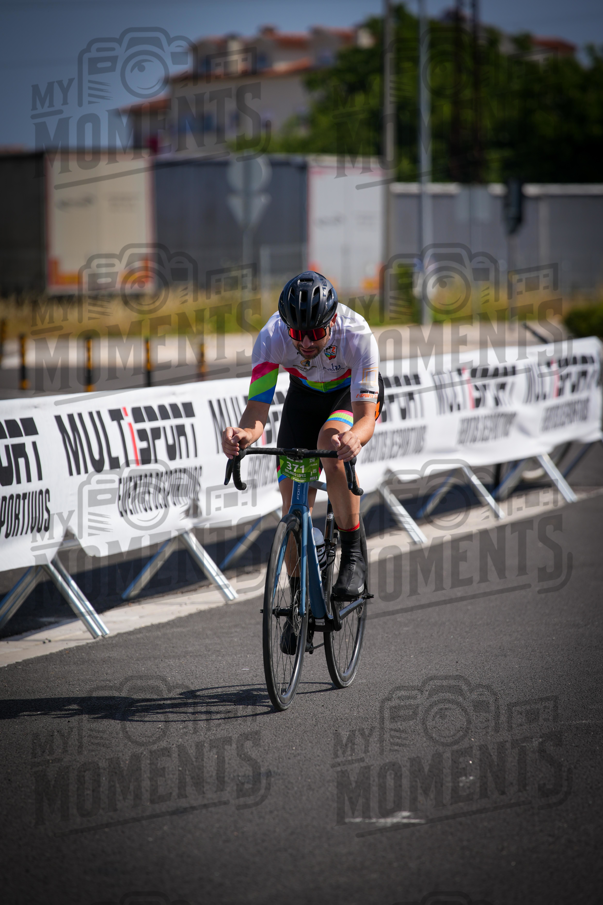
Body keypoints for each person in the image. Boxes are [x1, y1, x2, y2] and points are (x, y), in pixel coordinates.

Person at [222, 270, 382, 602]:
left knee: (330, 445)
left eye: (316, 333)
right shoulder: (272, 336)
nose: (306, 343)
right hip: (304, 398)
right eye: (298, 333)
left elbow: (366, 418)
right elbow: (256, 413)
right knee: (293, 509)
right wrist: (242, 435)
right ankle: (299, 599)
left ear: (333, 321)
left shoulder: (357, 334)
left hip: (347, 396)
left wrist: (355, 437)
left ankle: (353, 554)